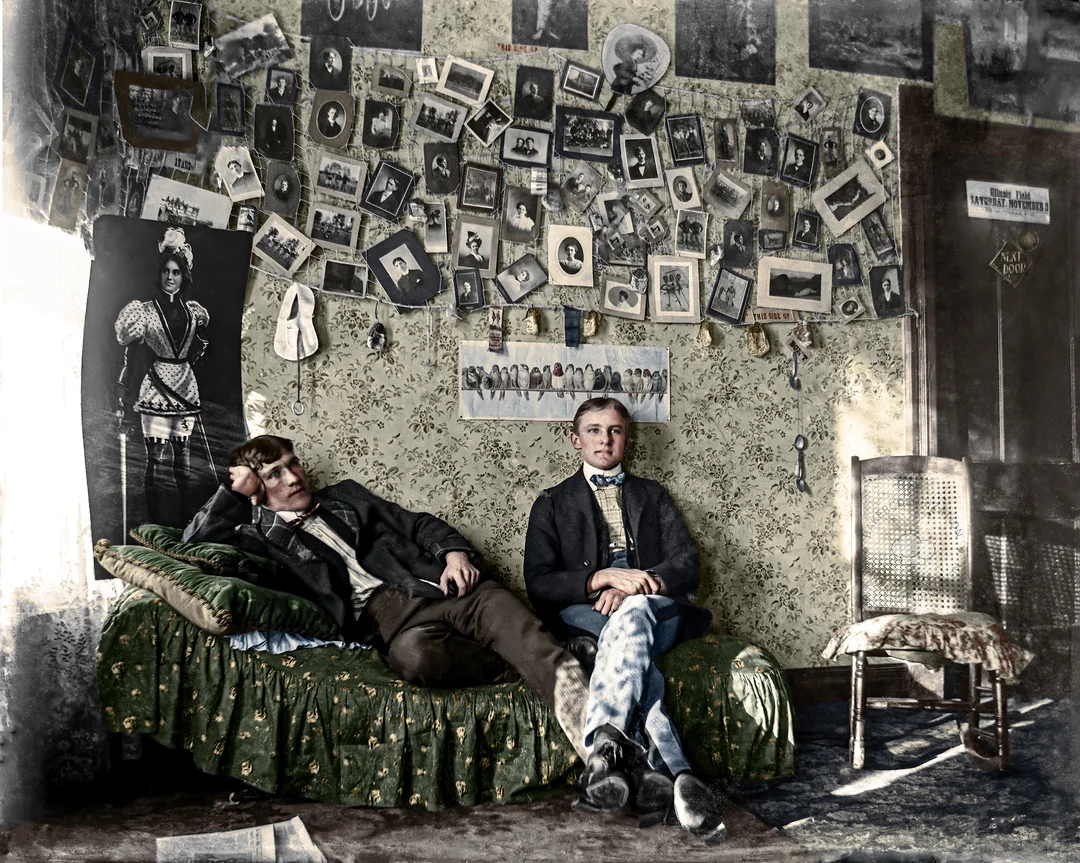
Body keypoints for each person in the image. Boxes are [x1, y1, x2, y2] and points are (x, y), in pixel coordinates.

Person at [183, 434, 592, 761]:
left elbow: (416, 524)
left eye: (293, 463)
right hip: (394, 625)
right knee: (414, 660)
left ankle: (601, 751)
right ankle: (539, 652)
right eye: (274, 474)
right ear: (256, 490)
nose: (293, 478)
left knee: (521, 633)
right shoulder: (259, 540)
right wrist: (231, 491)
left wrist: (454, 555)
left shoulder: (346, 496)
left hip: (446, 588)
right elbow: (194, 549)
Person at [523, 399, 724, 842]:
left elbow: (687, 564)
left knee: (631, 613)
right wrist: (601, 578)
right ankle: (676, 773)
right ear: (575, 440)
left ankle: (604, 749)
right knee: (633, 656)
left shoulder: (653, 495)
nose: (604, 439)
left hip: (654, 604)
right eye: (594, 431)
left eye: (614, 431)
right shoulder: (552, 503)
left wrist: (637, 584)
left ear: (627, 439)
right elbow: (538, 582)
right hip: (588, 608)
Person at [115, 227, 209, 525]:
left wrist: (195, 355)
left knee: (182, 459)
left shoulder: (195, 312)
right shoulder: (143, 311)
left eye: (176, 272)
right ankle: (154, 523)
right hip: (156, 391)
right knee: (155, 460)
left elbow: (199, 346)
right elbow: (129, 353)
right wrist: (122, 385)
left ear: (184, 276)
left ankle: (185, 522)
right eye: (166, 271)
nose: (170, 277)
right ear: (159, 274)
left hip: (186, 388)